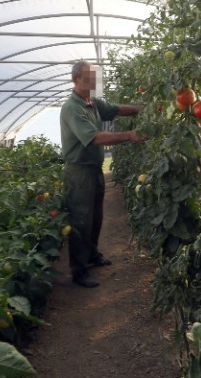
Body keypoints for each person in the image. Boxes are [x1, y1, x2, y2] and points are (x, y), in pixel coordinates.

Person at [60, 60, 146, 288]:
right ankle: (79, 271)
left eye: (94, 78)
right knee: (80, 220)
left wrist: (139, 109)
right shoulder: (73, 108)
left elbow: (115, 109)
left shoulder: (93, 102)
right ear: (75, 79)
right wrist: (130, 135)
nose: (93, 83)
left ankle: (92, 254)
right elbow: (95, 138)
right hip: (79, 172)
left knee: (96, 216)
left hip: (94, 169)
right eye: (88, 78)